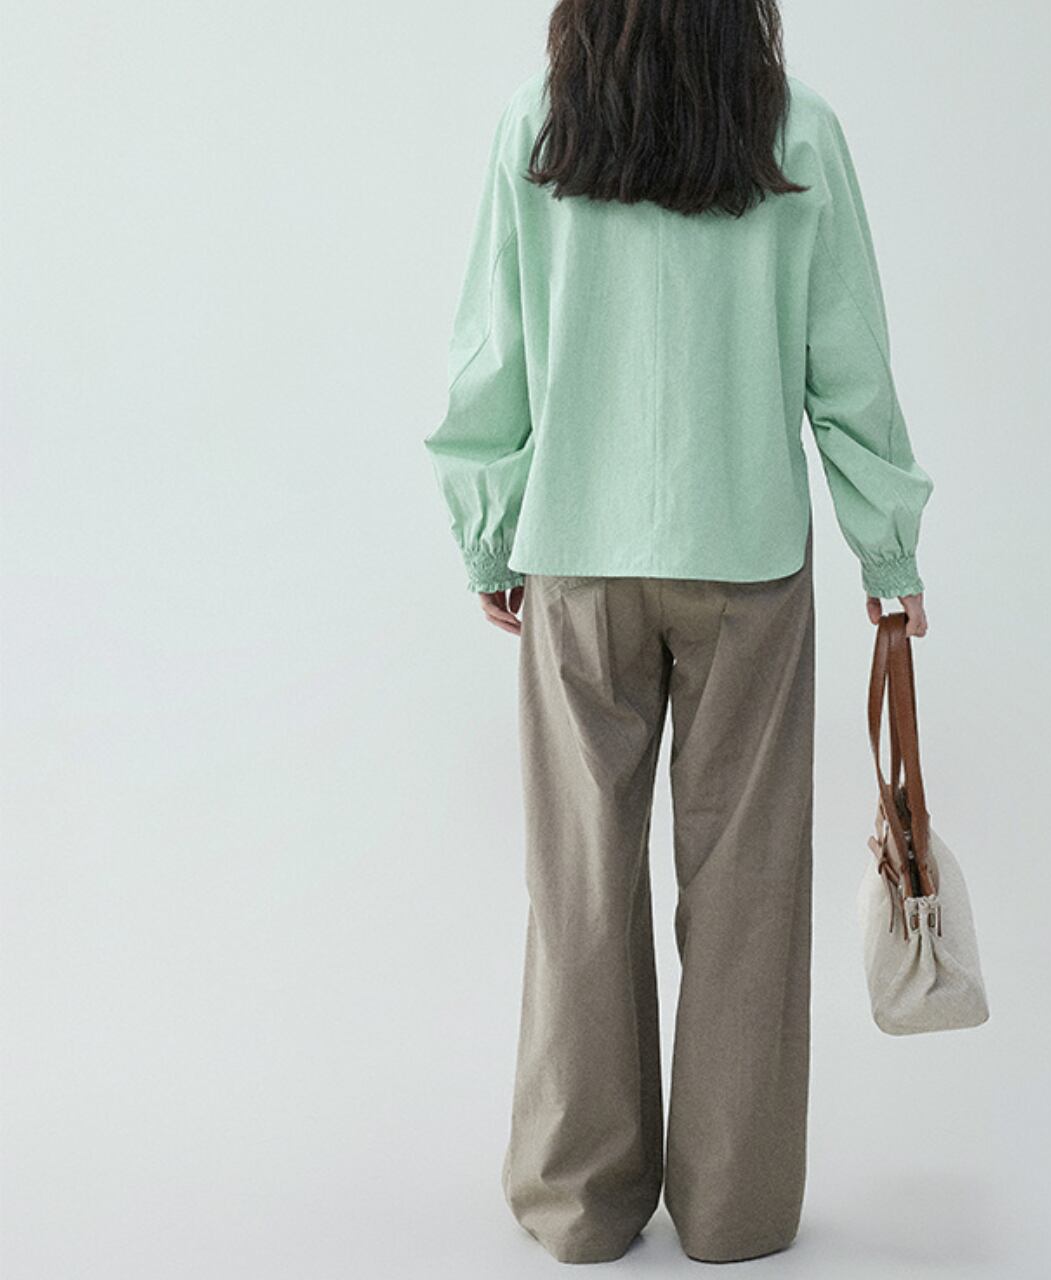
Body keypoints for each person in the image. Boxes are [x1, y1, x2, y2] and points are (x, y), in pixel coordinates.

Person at [423, 0, 933, 1264]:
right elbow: (847, 361)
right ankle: (735, 1207)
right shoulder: (792, 131)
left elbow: (492, 354)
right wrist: (885, 551)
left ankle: (579, 1199)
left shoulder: (538, 128)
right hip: (744, 558)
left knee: (579, 889)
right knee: (748, 891)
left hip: (576, 556)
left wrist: (488, 532)